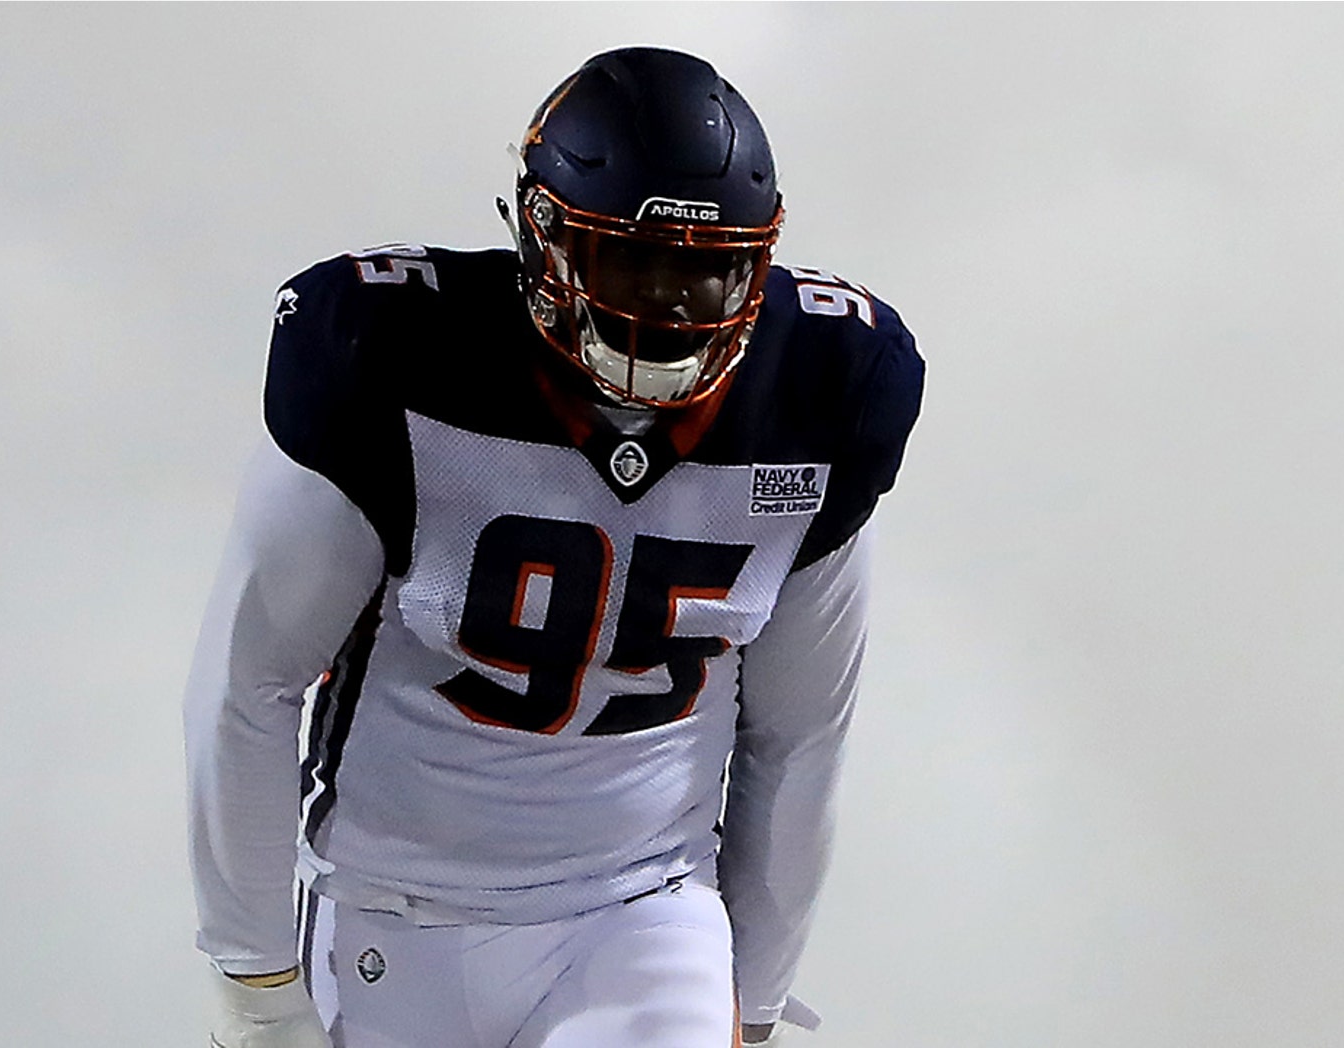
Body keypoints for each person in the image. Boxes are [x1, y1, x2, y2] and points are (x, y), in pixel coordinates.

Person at [184, 46, 924, 1048]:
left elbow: (798, 734)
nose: (666, 307)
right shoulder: (393, 358)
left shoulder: (821, 396)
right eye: (635, 260)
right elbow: (252, 683)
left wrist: (753, 1000)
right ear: (542, 234)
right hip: (391, 905)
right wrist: (256, 974)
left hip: (640, 908)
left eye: (704, 275)